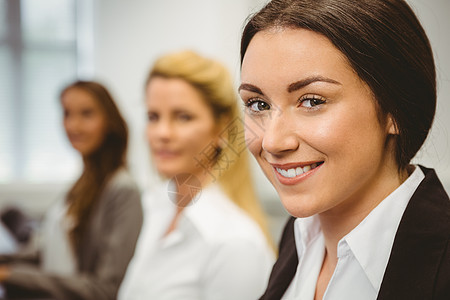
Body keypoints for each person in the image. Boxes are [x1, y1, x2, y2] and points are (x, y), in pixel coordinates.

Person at [238, 0, 450, 299]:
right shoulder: (298, 237)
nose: (272, 141)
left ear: (396, 110)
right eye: (258, 104)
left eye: (312, 101)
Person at [118, 50, 275, 300]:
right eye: (153, 117)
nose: (162, 133)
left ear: (221, 130)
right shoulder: (154, 208)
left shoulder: (234, 241)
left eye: (183, 117)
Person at [0, 80, 143, 299]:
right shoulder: (84, 183)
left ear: (109, 121)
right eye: (67, 113)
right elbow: (51, 250)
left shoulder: (123, 191)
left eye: (86, 114)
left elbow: (104, 289)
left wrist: (10, 275)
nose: (73, 125)